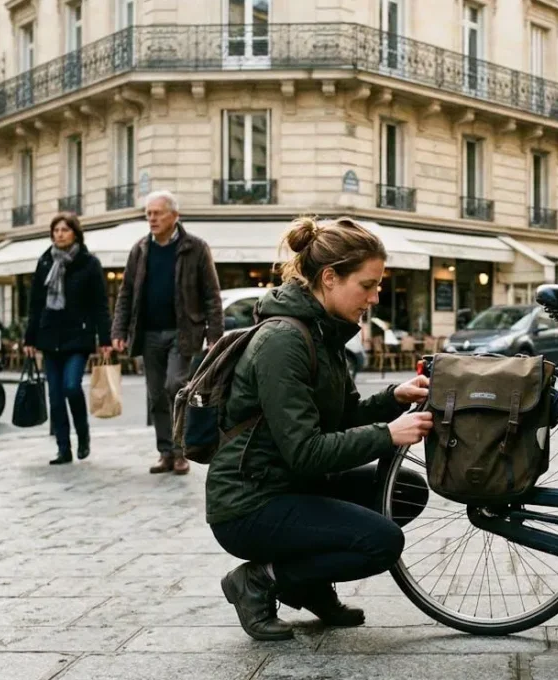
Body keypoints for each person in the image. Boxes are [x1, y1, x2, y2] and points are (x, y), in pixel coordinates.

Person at [207, 217, 434, 641]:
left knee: (407, 489)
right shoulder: (283, 341)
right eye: (367, 285)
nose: (375, 296)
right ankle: (261, 580)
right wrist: (389, 434)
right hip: (251, 503)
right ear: (330, 277)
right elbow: (305, 450)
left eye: (378, 285)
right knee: (382, 542)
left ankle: (306, 581)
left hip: (294, 486)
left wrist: (393, 397)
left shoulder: (323, 334)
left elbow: (344, 414)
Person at [112, 190, 224, 475]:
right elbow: (126, 294)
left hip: (182, 331)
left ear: (175, 216)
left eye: (157, 213)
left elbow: (211, 294)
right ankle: (165, 452)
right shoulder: (140, 249)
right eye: (148, 213)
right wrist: (119, 329)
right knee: (156, 394)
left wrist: (214, 335)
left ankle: (181, 451)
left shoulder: (196, 247)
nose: (151, 218)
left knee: (175, 386)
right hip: (148, 333)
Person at [23, 213, 112, 465]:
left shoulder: (89, 264)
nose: (59, 234)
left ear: (75, 233)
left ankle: (83, 435)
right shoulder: (44, 262)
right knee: (55, 395)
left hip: (78, 336)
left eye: (64, 229)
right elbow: (35, 305)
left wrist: (104, 338)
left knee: (71, 386)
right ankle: (64, 448)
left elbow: (100, 305)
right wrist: (29, 339)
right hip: (49, 336)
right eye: (56, 230)